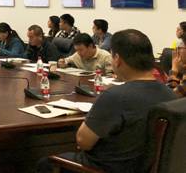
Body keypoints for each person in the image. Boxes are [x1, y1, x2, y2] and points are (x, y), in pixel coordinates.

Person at [39, 29, 177, 173]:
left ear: (117, 59)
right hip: (146, 168)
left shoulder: (115, 96)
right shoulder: (171, 95)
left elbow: (83, 141)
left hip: (105, 168)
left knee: (46, 163)